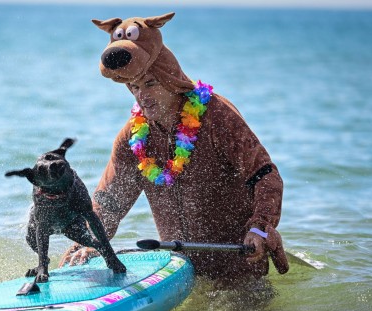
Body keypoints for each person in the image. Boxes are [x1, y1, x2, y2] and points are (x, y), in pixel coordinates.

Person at [59, 12, 289, 284]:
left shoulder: (217, 117)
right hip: (178, 273)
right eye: (134, 86)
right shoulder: (133, 138)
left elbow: (265, 175)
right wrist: (88, 243)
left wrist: (261, 228)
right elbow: (110, 202)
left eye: (151, 83)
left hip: (239, 263)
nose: (141, 95)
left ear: (171, 80)